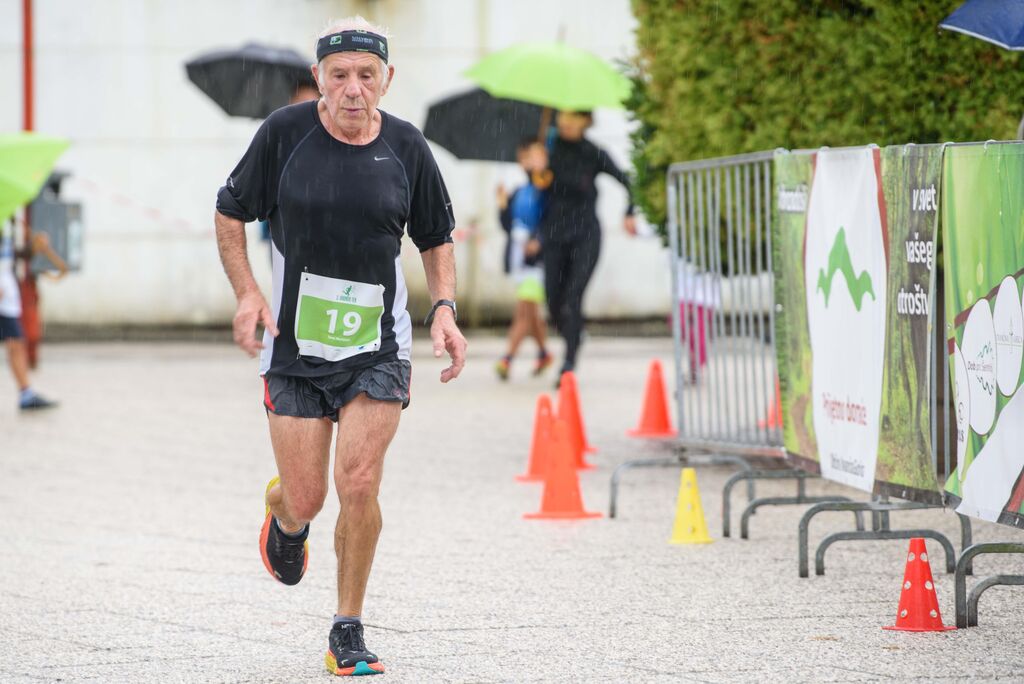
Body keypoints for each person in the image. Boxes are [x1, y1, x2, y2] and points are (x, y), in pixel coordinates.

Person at [214, 17, 466, 677]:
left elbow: (436, 235)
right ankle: (285, 516)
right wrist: (247, 292)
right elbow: (229, 210)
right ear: (319, 78)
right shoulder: (284, 135)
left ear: (387, 79)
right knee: (307, 497)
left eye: (366, 74)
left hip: (377, 347)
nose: (354, 88)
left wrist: (443, 307)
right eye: (339, 75)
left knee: (358, 481)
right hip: (293, 348)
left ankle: (346, 628)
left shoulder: (407, 147)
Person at [540, 111, 636, 381]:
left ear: (586, 121)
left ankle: (568, 363)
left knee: (573, 298)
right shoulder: (547, 148)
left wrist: (629, 212)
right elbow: (536, 190)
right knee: (553, 301)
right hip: (553, 235)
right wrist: (534, 169)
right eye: (563, 116)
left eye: (574, 117)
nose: (567, 122)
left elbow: (628, 181)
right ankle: (574, 333)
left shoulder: (593, 152)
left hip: (586, 236)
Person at [495, 138, 553, 380]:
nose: (525, 162)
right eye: (522, 157)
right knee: (531, 312)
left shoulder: (547, 189)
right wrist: (502, 204)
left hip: (537, 260)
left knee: (524, 310)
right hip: (519, 258)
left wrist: (539, 240)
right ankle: (543, 353)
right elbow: (508, 225)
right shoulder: (520, 191)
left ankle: (507, 358)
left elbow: (553, 219)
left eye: (530, 156)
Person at [0, 220, 58, 411]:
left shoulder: (6, 223)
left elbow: (9, 255)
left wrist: (32, 248)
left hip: (6, 298)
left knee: (16, 343)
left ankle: (26, 394)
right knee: (15, 343)